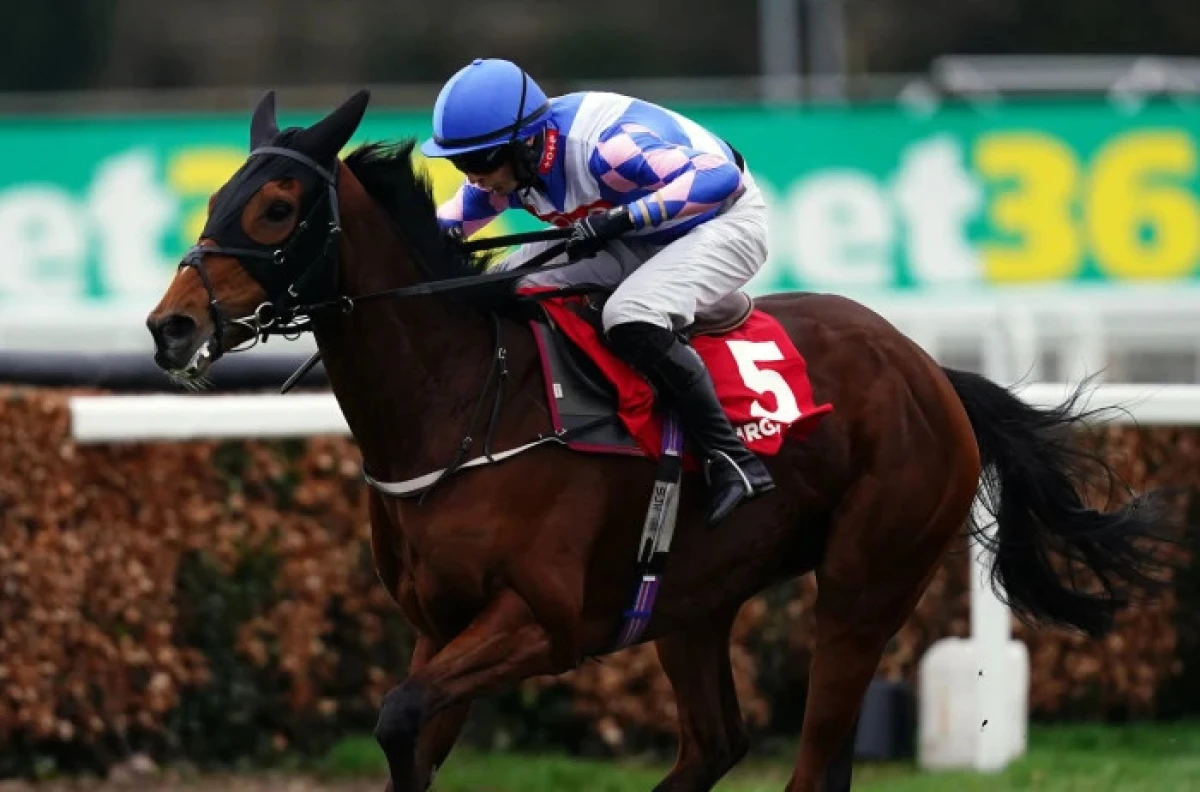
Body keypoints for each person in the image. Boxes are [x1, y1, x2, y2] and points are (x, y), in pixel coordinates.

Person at [420, 57, 774, 525]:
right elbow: (445, 226)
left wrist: (622, 218)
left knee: (630, 313)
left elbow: (718, 177)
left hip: (725, 222)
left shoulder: (607, 150)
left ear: (526, 143)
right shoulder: (509, 164)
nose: (473, 176)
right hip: (639, 236)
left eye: (480, 160)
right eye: (460, 162)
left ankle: (731, 458)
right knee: (496, 287)